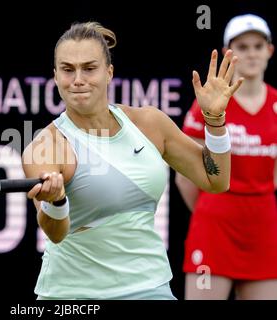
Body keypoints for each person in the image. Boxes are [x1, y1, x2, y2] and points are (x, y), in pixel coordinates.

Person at [22, 21, 242, 300]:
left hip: (151, 289)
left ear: (109, 72)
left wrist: (214, 122)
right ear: (55, 76)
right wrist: (56, 201)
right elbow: (55, 233)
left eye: (89, 68)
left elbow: (216, 180)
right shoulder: (45, 147)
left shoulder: (149, 123)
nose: (78, 79)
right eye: (68, 69)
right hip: (73, 297)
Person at [176, 13, 277, 300]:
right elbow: (185, 175)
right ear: (227, 54)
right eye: (243, 47)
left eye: (258, 46)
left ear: (269, 51)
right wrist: (212, 213)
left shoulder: (276, 104)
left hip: (263, 227)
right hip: (214, 227)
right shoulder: (208, 105)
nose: (252, 54)